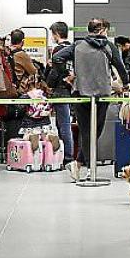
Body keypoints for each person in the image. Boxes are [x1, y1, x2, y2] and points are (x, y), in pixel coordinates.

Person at [55, 18, 130, 181]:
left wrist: (67, 75)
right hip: (102, 94)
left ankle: (79, 164)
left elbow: (57, 58)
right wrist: (126, 84)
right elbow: (120, 66)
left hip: (80, 92)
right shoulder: (109, 46)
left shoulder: (77, 45)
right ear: (102, 30)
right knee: (96, 131)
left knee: (86, 131)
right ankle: (89, 168)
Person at [46, 21, 74, 165]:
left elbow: (55, 72)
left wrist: (48, 85)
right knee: (65, 124)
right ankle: (66, 154)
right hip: (71, 90)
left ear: (56, 34)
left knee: (63, 125)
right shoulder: (73, 48)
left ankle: (67, 156)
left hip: (60, 90)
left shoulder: (58, 50)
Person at [7, 29, 39, 95]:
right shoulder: (21, 54)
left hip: (11, 86)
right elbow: (33, 71)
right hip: (21, 89)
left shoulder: (8, 53)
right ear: (22, 41)